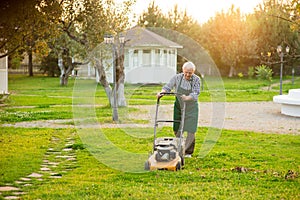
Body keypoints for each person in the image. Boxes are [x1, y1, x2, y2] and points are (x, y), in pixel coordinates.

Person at [157, 61, 201, 158]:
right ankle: (178, 148)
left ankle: (188, 152)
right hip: (178, 107)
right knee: (177, 128)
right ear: (183, 70)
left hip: (191, 108)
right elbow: (167, 87)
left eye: (190, 73)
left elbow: (195, 93)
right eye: (186, 72)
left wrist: (187, 98)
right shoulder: (177, 78)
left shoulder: (196, 79)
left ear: (193, 72)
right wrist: (162, 93)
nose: (187, 75)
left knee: (191, 129)